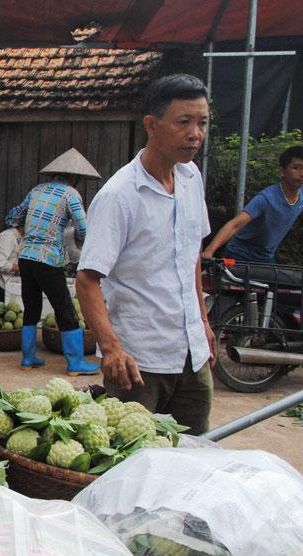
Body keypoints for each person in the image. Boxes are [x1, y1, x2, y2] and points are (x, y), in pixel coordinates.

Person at [76, 73, 216, 434]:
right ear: (152, 125)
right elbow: (87, 280)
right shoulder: (119, 196)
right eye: (184, 122)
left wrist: (202, 320)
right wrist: (111, 349)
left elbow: (192, 255)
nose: (195, 133)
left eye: (202, 122)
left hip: (191, 354)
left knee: (193, 457)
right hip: (139, 362)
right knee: (132, 464)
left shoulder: (191, 178)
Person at [9, 148, 101, 375]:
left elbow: (12, 217)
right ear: (74, 177)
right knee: (65, 308)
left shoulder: (37, 190)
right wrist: (85, 246)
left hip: (26, 257)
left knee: (31, 307)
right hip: (48, 258)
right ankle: (75, 363)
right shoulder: (71, 194)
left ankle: (28, 359)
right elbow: (83, 228)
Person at [202, 145, 303, 262]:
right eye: (297, 168)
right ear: (282, 171)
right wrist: (209, 251)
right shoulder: (266, 198)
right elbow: (235, 224)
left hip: (266, 258)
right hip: (239, 255)